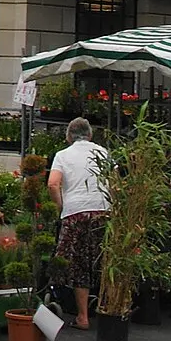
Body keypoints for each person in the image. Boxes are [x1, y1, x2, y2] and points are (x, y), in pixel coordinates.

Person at [47, 117, 111, 329]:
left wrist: (61, 207)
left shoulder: (62, 155)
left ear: (68, 137)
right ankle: (107, 311)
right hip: (103, 211)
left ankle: (82, 317)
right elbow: (117, 182)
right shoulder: (103, 152)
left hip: (75, 213)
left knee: (77, 264)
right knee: (103, 263)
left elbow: (53, 184)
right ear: (90, 135)